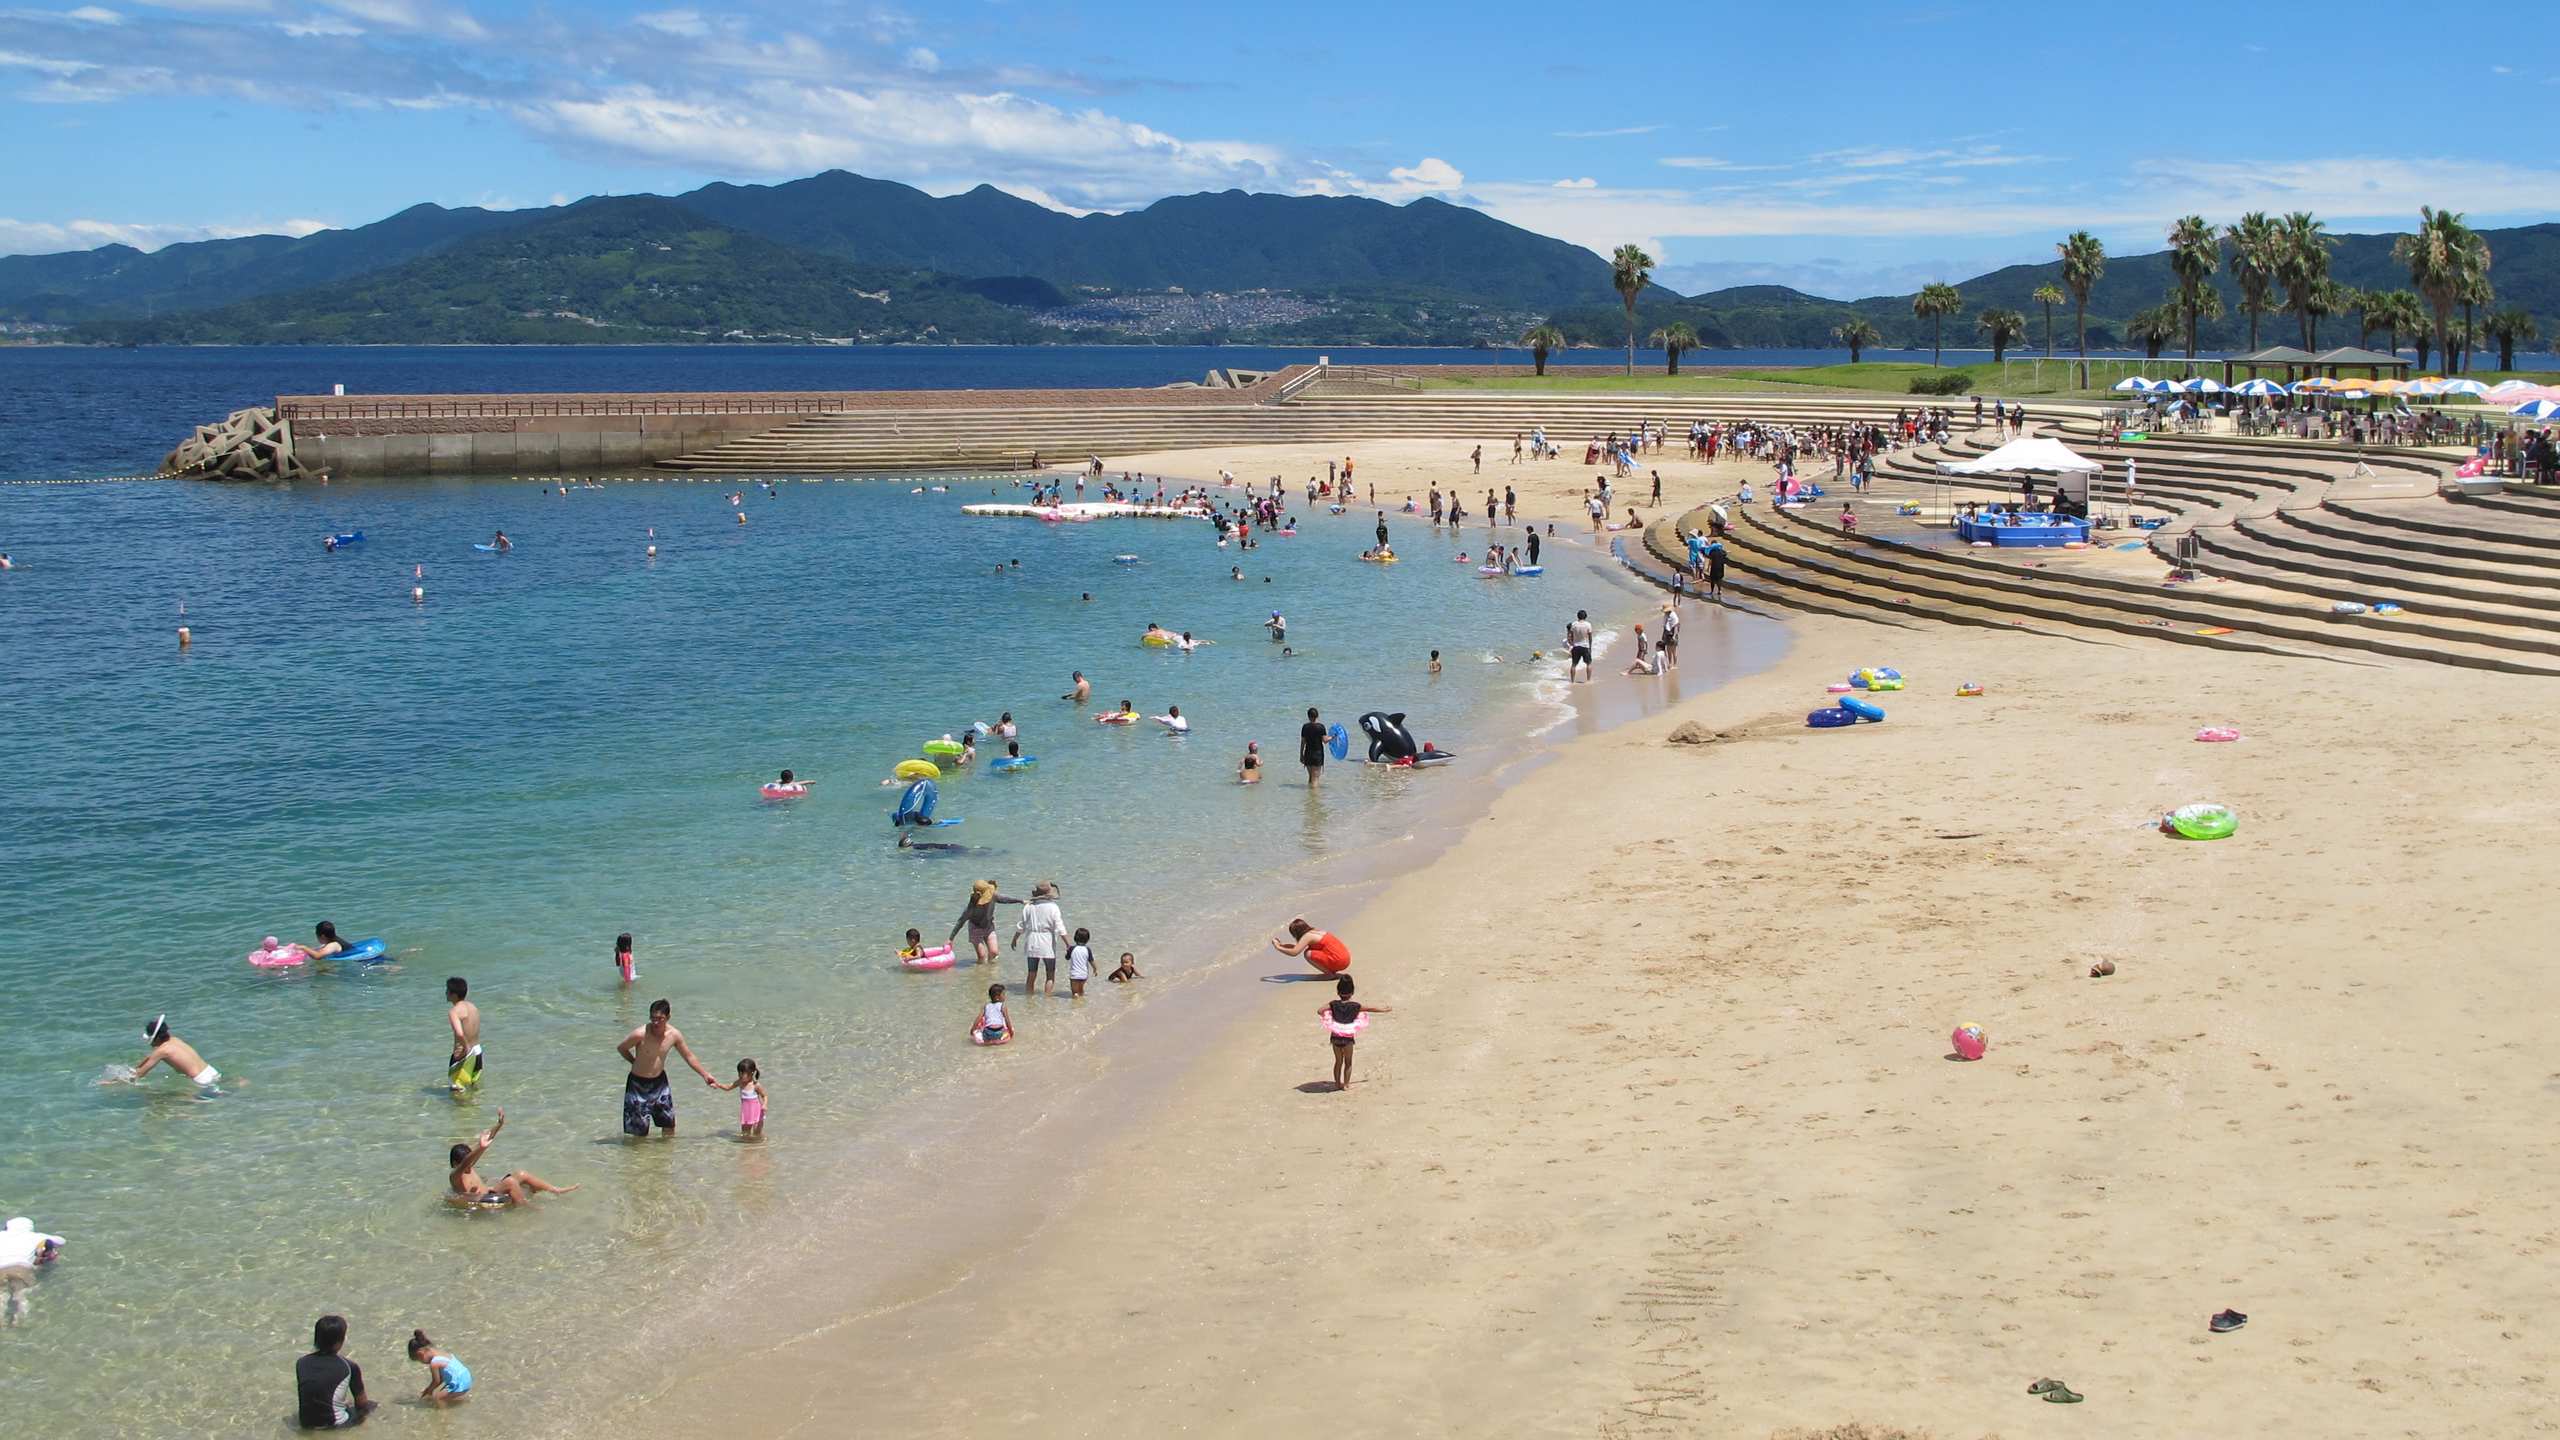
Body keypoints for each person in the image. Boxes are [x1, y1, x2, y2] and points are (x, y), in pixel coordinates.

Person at [616, 1000, 719, 1138]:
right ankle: (641, 1159)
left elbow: (689, 1056)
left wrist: (705, 1075)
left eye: (660, 1019)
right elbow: (621, 1048)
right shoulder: (640, 1034)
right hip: (637, 1085)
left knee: (668, 1125)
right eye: (653, 1018)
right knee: (639, 1133)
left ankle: (666, 1156)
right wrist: (633, 1062)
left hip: (659, 1083)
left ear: (668, 1017)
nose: (656, 1023)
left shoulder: (674, 1035)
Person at [447, 1107, 575, 1206]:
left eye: (470, 1163)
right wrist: (481, 1148)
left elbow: (485, 1141)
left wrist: (499, 1125)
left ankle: (555, 1190)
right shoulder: (455, 1176)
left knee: (521, 1174)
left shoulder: (468, 1165)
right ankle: (526, 1207)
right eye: (467, 1164)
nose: (470, 1166)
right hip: (482, 1200)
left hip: (490, 1192)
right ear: (455, 1163)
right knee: (510, 1182)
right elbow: (466, 1163)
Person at [297, 1314, 378, 1430]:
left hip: (306, 1424)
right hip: (335, 1424)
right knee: (371, 1405)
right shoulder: (349, 1366)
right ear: (338, 1343)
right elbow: (362, 1404)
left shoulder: (301, 1363)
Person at [1320, 976, 1389, 1091]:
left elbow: (1319, 1010)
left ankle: (1337, 1083)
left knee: (1338, 1061)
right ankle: (1346, 1084)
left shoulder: (1333, 1004)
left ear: (1338, 991)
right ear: (1352, 992)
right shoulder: (1355, 1006)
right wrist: (1384, 1009)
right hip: (1347, 1039)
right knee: (1348, 1062)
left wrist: (1330, 1014)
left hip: (1335, 1037)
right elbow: (1370, 1008)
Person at [131, 1015, 223, 1092]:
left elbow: (140, 1074)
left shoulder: (162, 1051)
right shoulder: (175, 1040)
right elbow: (150, 1057)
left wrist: (123, 1080)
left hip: (202, 1079)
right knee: (222, 1092)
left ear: (157, 1038)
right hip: (210, 1071)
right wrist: (135, 1068)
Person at [0, 1215, 64, 1324]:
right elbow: (61, 1241)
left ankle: (2, 1321)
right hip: (21, 1268)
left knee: (2, 1295)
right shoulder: (36, 1236)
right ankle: (21, 1320)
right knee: (21, 1295)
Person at [949, 879, 1020, 966]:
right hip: (975, 929)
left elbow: (1005, 899)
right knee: (982, 957)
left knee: (994, 952)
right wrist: (950, 939)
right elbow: (960, 922)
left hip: (989, 926)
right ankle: (980, 974)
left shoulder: (992, 896)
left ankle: (989, 972)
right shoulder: (970, 909)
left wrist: (1020, 901)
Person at [1014, 881, 1068, 996]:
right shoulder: (1053, 907)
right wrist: (1068, 944)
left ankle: (1029, 999)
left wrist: (1015, 938)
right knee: (1050, 974)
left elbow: (1022, 925)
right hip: (1047, 942)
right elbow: (1060, 927)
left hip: (1032, 941)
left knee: (1031, 973)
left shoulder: (1029, 906)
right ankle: (1047, 998)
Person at [406, 1330, 472, 1406]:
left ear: (420, 1354)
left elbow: (436, 1381)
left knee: (438, 1398)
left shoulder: (434, 1363)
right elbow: (441, 1379)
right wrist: (429, 1390)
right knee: (441, 1394)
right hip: (466, 1377)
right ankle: (462, 1401)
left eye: (420, 1360)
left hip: (459, 1382)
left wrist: (429, 1390)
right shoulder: (442, 1353)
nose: (423, 1363)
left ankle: (444, 1416)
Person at [1272, 917, 1351, 976]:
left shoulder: (1307, 936)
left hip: (1339, 961)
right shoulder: (1314, 932)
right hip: (1345, 959)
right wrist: (1281, 945)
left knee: (1307, 953)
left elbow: (1294, 952)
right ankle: (1331, 971)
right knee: (1309, 950)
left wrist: (1277, 947)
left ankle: (1329, 974)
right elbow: (1297, 946)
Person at [712, 1058, 766, 1139]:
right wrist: (718, 1085)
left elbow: (764, 1096)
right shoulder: (740, 1082)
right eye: (739, 1073)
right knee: (745, 1134)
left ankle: (759, 1148)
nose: (740, 1076)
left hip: (757, 1112)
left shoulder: (756, 1085)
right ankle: (747, 1148)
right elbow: (728, 1087)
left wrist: (765, 1105)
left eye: (742, 1074)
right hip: (746, 1112)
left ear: (751, 1073)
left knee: (757, 1134)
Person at [446, 977, 482, 1094]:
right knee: (473, 1089)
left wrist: (465, 1047)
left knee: (457, 1093)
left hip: (464, 1054)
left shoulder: (454, 1011)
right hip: (477, 1052)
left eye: (448, 990)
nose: (446, 993)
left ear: (454, 995)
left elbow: (460, 1033)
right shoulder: (473, 1007)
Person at [1298, 706, 1328, 788]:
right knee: (1315, 779)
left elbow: (1303, 742)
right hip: (1317, 755)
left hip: (1308, 754)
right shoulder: (1321, 727)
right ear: (1317, 716)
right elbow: (1325, 740)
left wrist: (1301, 755)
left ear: (1308, 716)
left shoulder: (1305, 727)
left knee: (1311, 777)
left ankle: (1309, 798)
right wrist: (1333, 737)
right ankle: (1314, 799)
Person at [1064, 927, 1097, 998]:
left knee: (1074, 992)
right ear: (1087, 939)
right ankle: (1081, 1002)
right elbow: (1091, 961)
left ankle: (1076, 1002)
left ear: (1075, 938)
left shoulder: (1072, 948)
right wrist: (1095, 969)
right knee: (1081, 990)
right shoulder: (1087, 949)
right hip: (1083, 974)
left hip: (1074, 974)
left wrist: (1067, 951)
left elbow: (1067, 958)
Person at [1564, 609, 1595, 684]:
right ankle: (1588, 680)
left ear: (1577, 616)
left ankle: (1572, 681)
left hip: (1576, 646)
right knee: (1588, 664)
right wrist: (1590, 647)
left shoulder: (1574, 624)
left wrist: (1572, 644)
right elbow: (1590, 637)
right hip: (1585, 646)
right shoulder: (1588, 625)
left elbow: (1569, 636)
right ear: (1585, 617)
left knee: (1574, 665)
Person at [1658, 603, 1680, 670]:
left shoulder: (1673, 617)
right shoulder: (1667, 615)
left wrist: (1675, 636)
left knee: (1673, 651)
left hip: (1672, 635)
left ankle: (1675, 664)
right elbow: (1665, 626)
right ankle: (1670, 664)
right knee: (1668, 650)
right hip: (1667, 634)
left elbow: (1677, 625)